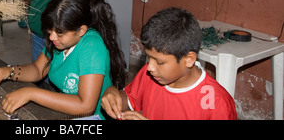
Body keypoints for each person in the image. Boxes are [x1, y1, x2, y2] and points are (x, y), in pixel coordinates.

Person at [0, 0, 126, 119]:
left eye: (59, 33)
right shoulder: (60, 41)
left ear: (81, 30)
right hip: (65, 112)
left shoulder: (92, 47)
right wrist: (9, 71)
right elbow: (38, 70)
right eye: (50, 31)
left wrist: (31, 93)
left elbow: (85, 107)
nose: (52, 37)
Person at [101, 7, 237, 120]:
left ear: (189, 59)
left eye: (160, 62)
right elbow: (129, 99)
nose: (150, 67)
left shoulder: (216, 103)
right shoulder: (152, 76)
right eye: (149, 58)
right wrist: (113, 94)